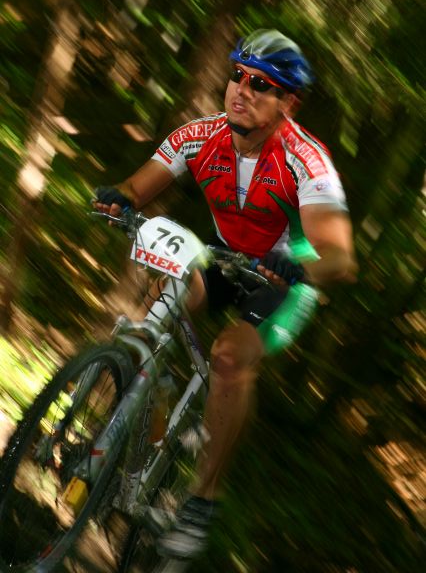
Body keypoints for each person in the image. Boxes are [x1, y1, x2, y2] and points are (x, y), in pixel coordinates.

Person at [94, 28, 357, 559]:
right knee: (162, 305)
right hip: (225, 255)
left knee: (230, 357)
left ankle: (202, 500)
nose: (242, 89)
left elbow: (340, 257)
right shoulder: (200, 136)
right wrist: (118, 198)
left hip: (285, 278)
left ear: (288, 103)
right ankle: (134, 434)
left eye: (261, 84)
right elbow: (136, 187)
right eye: (238, 75)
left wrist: (301, 265)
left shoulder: (306, 160)